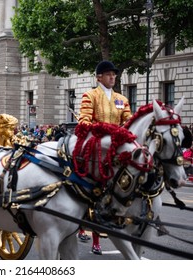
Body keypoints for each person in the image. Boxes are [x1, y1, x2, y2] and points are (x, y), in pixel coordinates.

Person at [77, 60, 133, 255]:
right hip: (97, 147)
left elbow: (128, 121)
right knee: (95, 189)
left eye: (114, 75)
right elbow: (84, 120)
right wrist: (103, 130)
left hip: (116, 147)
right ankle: (92, 236)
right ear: (99, 77)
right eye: (109, 74)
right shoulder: (90, 96)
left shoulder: (121, 99)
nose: (113, 77)